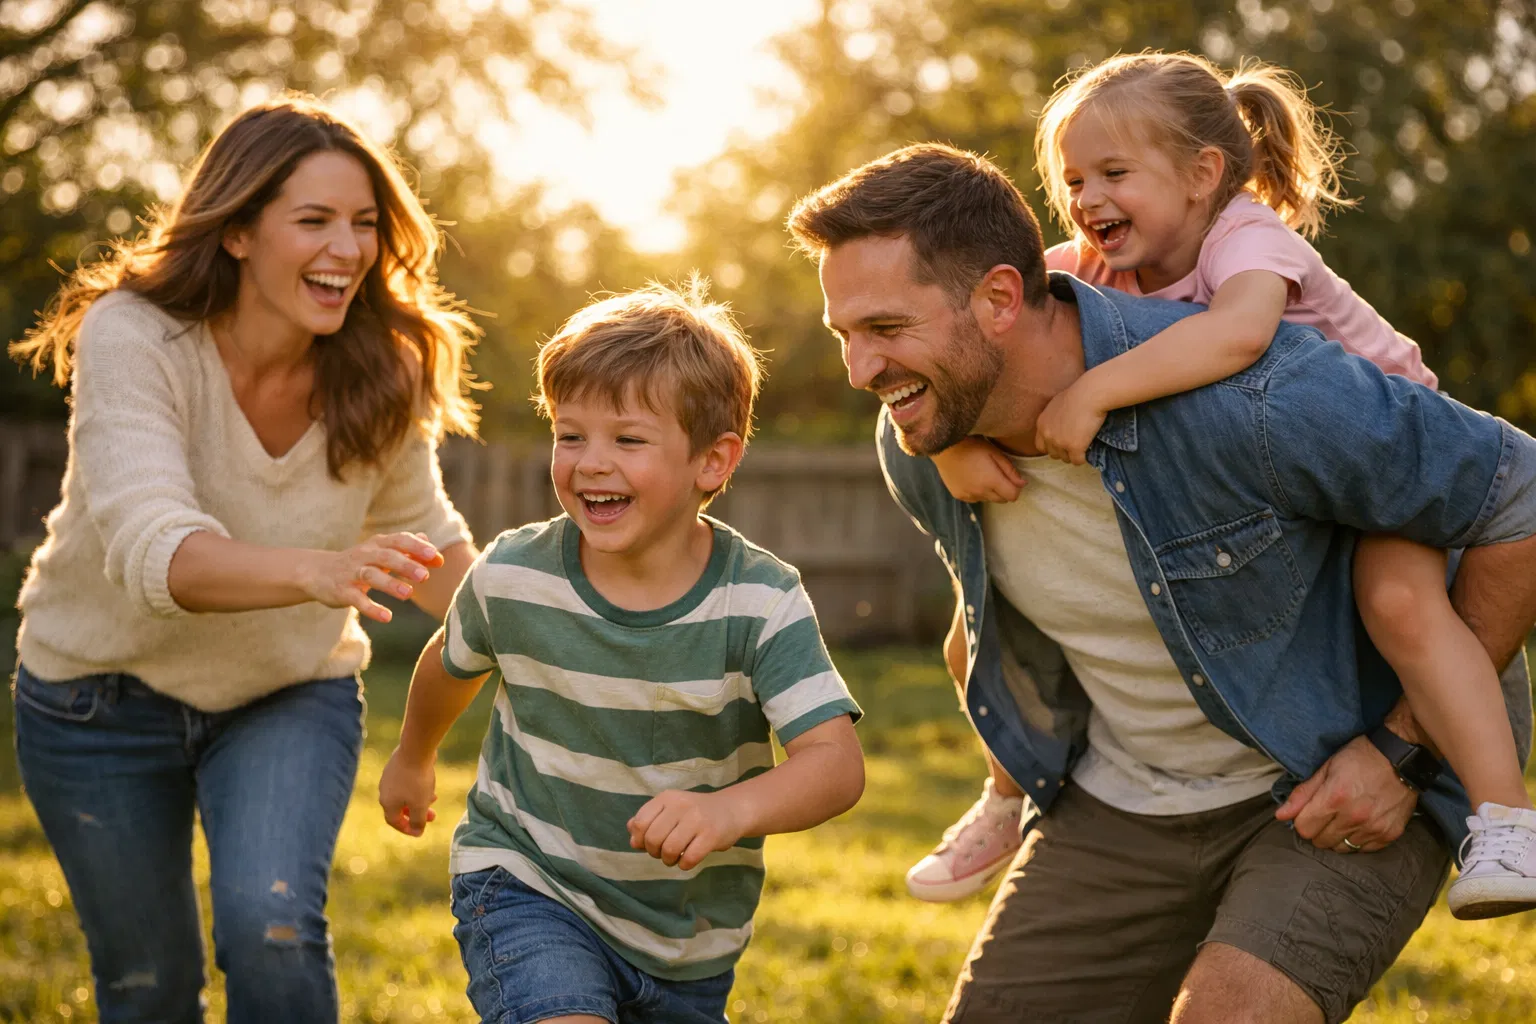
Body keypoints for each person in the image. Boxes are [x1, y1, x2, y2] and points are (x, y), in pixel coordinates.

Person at [788, 142, 1536, 1024]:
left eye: (884, 330)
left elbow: (1516, 490)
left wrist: (1405, 749)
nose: (860, 372)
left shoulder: (1247, 400)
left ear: (997, 298)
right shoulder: (923, 440)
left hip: (1333, 777)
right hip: (1121, 798)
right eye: (847, 336)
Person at [909, 52, 1536, 920]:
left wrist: (1093, 390)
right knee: (968, 636)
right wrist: (946, 446)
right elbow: (992, 313)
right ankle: (1004, 795)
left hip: (1389, 456)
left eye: (1114, 174)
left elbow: (1239, 337)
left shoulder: (1247, 235)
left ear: (1204, 174)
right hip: (1287, 497)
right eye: (1073, 178)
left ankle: (1508, 821)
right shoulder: (1106, 259)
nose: (1087, 200)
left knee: (1399, 605)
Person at [8, 95, 480, 1023]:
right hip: (92, 700)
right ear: (235, 234)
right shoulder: (135, 335)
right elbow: (158, 553)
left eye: (364, 224)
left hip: (285, 692)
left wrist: (553, 626)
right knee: (146, 987)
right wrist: (316, 569)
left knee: (274, 932)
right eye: (313, 221)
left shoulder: (383, 365)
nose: (347, 249)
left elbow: (424, 539)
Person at [376, 282, 865, 1024]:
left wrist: (731, 811)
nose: (590, 462)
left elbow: (836, 764)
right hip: (528, 880)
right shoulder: (513, 576)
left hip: (686, 940)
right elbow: (450, 663)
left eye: (627, 440)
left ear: (713, 461)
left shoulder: (759, 603)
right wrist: (413, 758)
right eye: (570, 435)